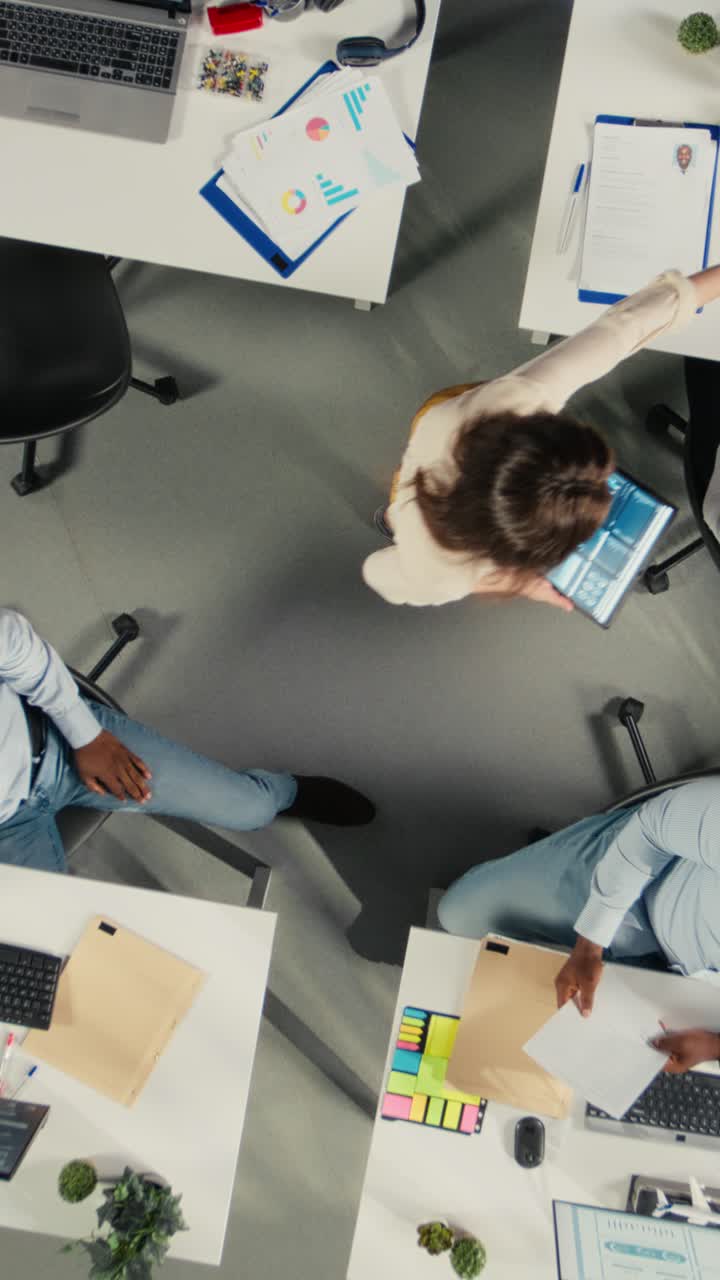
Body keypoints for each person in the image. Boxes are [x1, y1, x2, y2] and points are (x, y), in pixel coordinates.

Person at [363, 266, 720, 610]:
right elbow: (377, 572)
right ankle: (395, 519)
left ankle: (397, 517)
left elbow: (625, 328)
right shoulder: (444, 576)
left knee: (404, 507)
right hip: (431, 452)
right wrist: (492, 583)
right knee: (401, 512)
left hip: (443, 426)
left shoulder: (520, 397)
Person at [0, 608, 375, 875]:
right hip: (9, 828)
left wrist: (86, 736)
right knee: (46, 954)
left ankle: (285, 792)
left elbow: (15, 643)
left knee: (251, 809)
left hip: (53, 740)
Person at [437, 778, 720, 1074]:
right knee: (457, 915)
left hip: (690, 994)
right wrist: (590, 942)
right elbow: (651, 830)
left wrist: (715, 1046)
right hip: (648, 884)